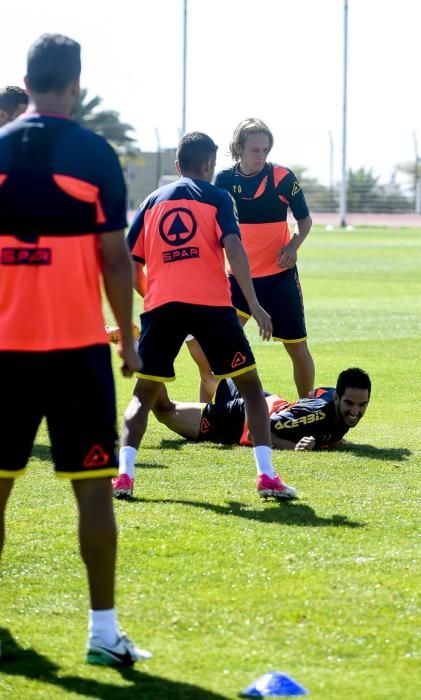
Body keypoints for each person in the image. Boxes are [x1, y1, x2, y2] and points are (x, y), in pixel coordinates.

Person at [0, 34, 149, 666]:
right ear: (77, 83)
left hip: (4, 351)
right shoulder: (93, 152)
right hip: (75, 349)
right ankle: (103, 635)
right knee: (92, 490)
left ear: (27, 82)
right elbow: (116, 261)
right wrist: (131, 341)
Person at [112, 132, 297, 502]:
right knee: (250, 388)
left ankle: (124, 477)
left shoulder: (149, 203)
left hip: (162, 307)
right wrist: (255, 304)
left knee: (142, 395)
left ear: (178, 166)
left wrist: (152, 294)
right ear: (211, 164)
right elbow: (233, 246)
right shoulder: (218, 197)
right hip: (212, 307)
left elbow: (128, 261)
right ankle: (266, 476)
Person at [187, 117, 314, 401]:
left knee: (297, 347)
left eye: (266, 149)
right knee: (217, 349)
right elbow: (209, 225)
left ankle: (308, 408)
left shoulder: (282, 178)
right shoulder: (223, 180)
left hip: (280, 279)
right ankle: (206, 414)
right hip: (238, 281)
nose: (261, 156)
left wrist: (293, 246)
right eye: (255, 150)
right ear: (239, 148)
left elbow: (304, 221)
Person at [152, 368, 371, 451]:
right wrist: (294, 446)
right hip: (239, 419)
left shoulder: (332, 398)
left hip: (263, 399)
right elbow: (255, 433)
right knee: (164, 411)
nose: (355, 411)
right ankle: (144, 359)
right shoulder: (316, 415)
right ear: (337, 398)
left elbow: (316, 392)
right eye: (349, 403)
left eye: (362, 405)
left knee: (211, 376)